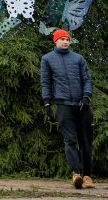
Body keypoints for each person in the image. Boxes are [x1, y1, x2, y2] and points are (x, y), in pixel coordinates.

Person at [40, 29, 95, 189]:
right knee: (70, 140)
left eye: (68, 39)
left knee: (86, 141)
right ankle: (75, 174)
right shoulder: (47, 59)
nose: (66, 42)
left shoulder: (78, 58)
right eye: (62, 39)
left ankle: (88, 176)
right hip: (63, 105)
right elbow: (46, 82)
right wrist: (47, 102)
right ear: (55, 41)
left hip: (82, 105)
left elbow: (87, 79)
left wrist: (86, 97)